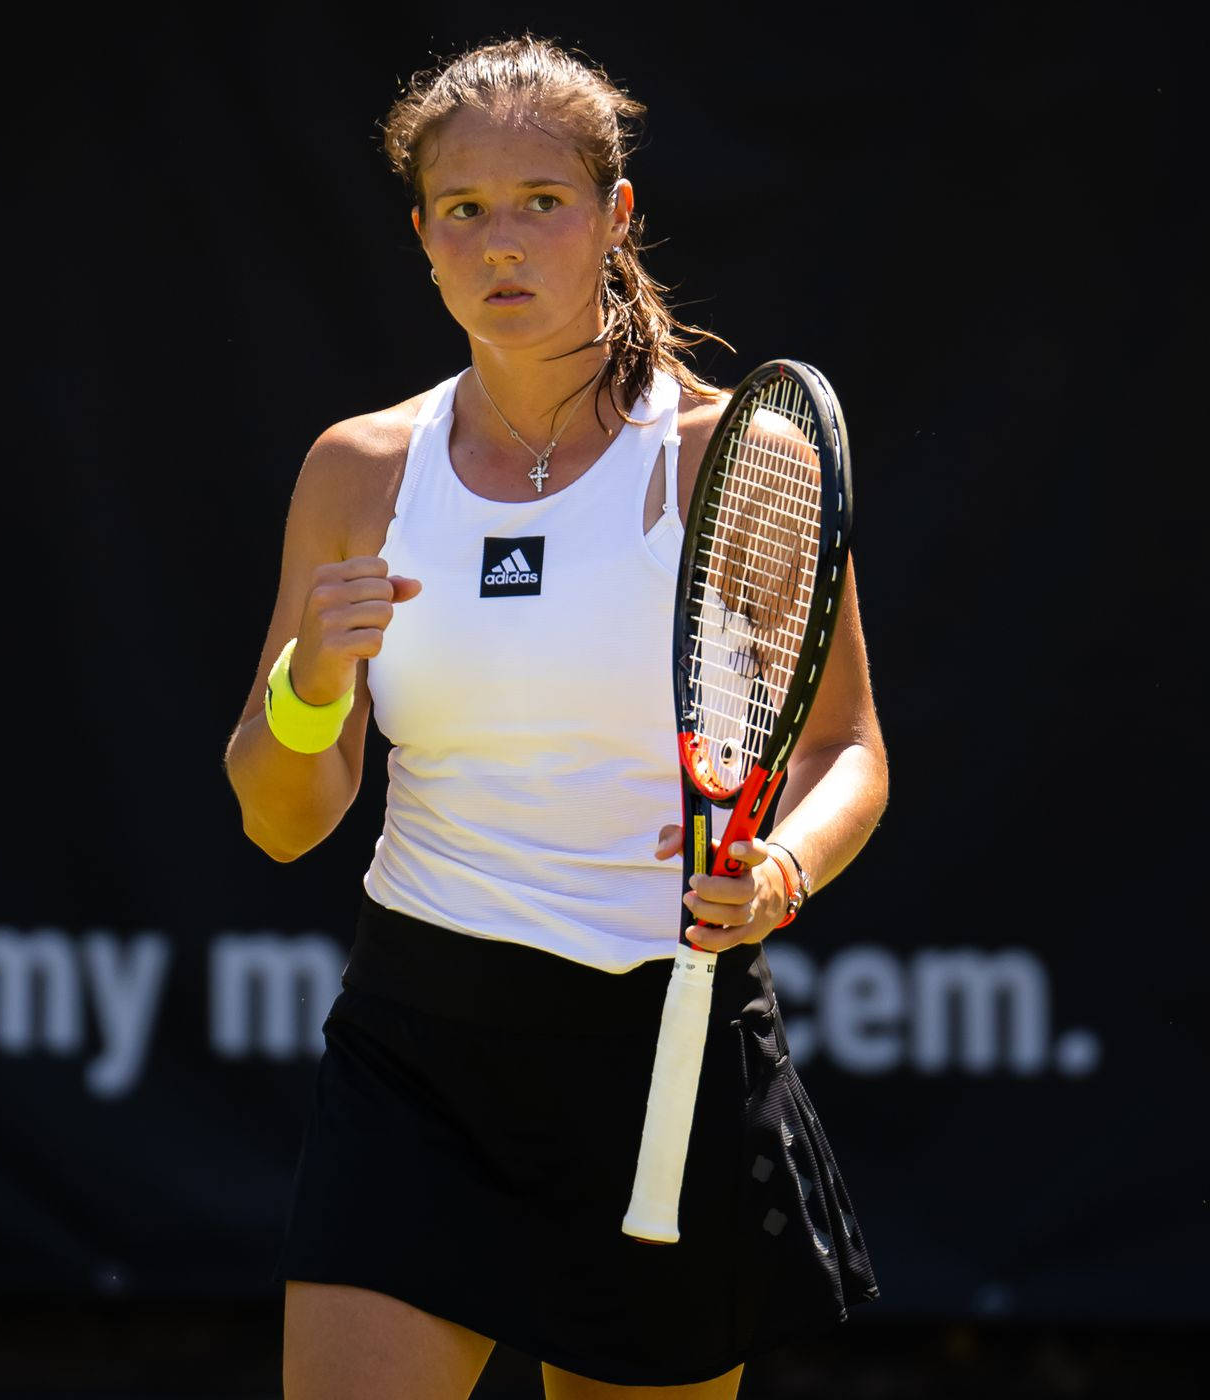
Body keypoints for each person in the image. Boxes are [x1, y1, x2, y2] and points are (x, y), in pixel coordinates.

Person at [224, 35, 888, 1400]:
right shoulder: (358, 471)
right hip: (415, 1060)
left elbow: (844, 749)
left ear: (616, 216)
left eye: (543, 201)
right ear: (421, 237)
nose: (503, 241)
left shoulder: (726, 457)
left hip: (664, 1061)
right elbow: (282, 820)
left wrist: (781, 868)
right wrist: (311, 688)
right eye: (464, 210)